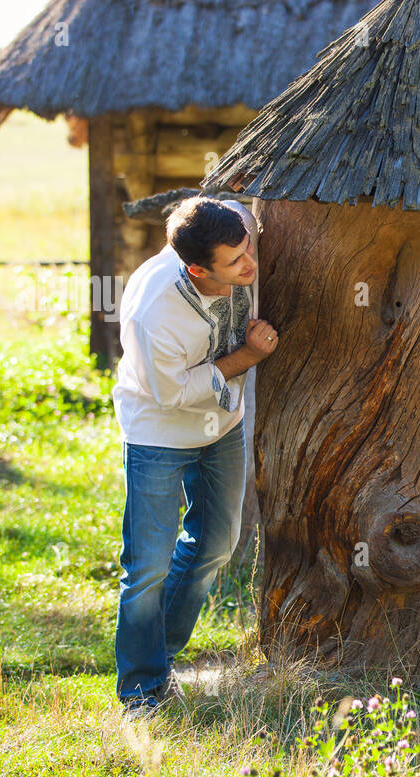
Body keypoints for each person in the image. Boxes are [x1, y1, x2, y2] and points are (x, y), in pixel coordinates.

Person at [110, 197, 280, 714]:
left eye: (247, 249)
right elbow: (173, 393)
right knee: (148, 566)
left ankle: (157, 657)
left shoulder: (226, 229)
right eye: (235, 262)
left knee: (217, 542)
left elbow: (230, 198)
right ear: (197, 269)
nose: (250, 265)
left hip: (222, 423)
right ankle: (141, 690)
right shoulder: (153, 313)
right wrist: (249, 356)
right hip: (160, 433)